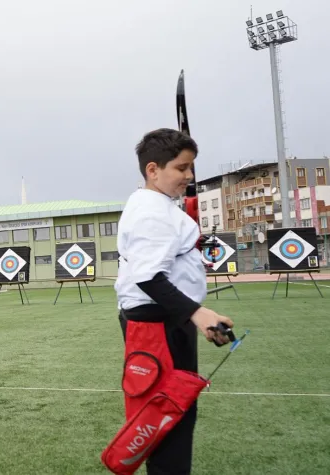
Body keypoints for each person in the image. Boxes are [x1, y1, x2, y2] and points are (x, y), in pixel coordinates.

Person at [111, 128, 234, 474]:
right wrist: (197, 313)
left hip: (165, 322)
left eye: (190, 167)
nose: (189, 176)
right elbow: (148, 276)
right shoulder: (152, 213)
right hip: (156, 327)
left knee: (172, 416)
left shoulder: (157, 206)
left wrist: (194, 316)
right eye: (182, 168)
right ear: (153, 170)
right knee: (167, 419)